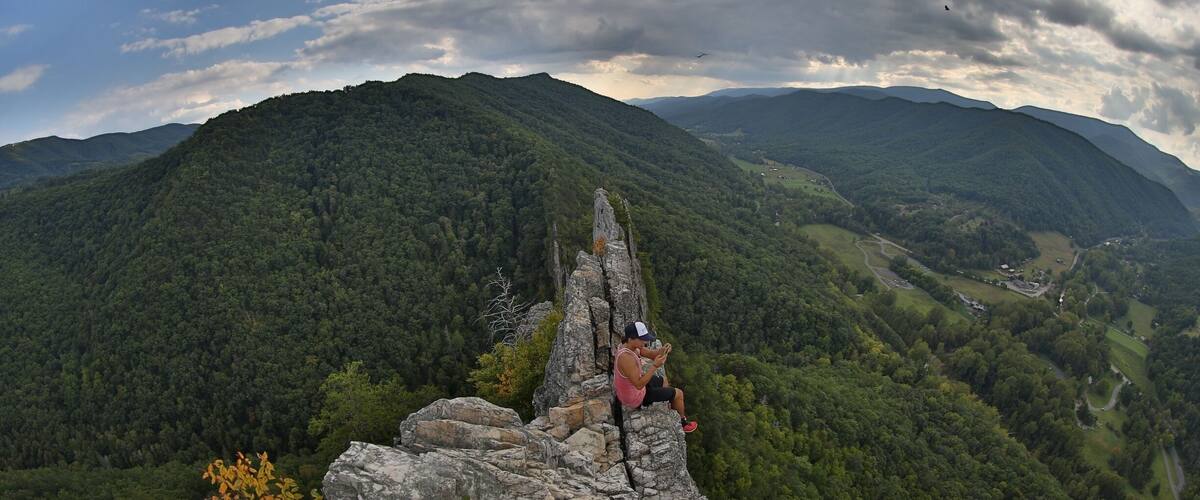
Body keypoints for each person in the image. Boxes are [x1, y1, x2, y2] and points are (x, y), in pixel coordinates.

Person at [613, 321, 698, 433]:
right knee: (679, 394)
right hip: (634, 397)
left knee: (663, 380)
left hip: (634, 388)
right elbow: (638, 385)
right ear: (631, 338)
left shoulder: (632, 346)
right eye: (642, 339)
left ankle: (667, 402)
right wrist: (654, 366)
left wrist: (663, 350)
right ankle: (683, 423)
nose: (645, 341)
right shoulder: (626, 358)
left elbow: (652, 355)